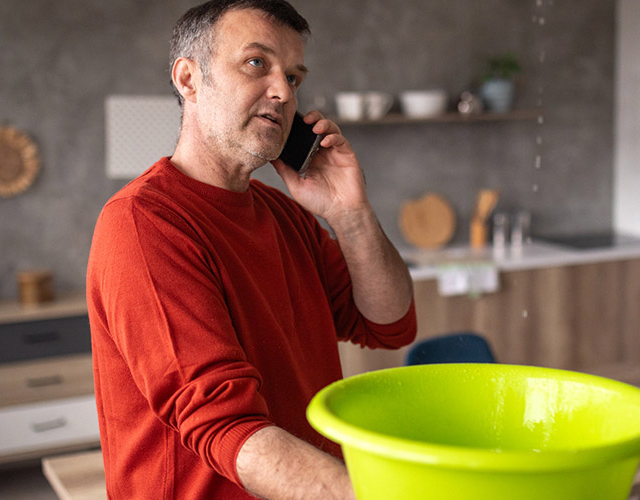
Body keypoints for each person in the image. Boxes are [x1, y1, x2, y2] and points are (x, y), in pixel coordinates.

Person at [85, 1, 417, 499]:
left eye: (295, 77)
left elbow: (389, 324)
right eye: (256, 63)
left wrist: (350, 214)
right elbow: (227, 427)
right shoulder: (143, 223)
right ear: (188, 79)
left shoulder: (287, 217)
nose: (284, 92)